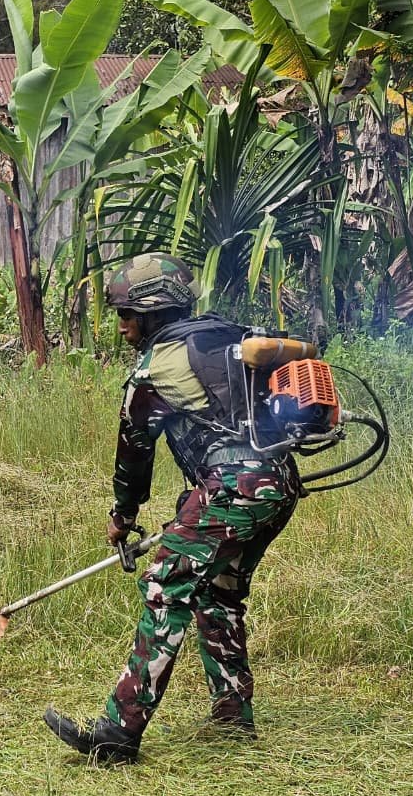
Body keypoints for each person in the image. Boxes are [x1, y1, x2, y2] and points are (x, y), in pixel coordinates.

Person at [43, 252, 301, 764]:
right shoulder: (231, 336)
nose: (120, 328)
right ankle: (231, 719)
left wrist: (123, 518)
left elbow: (133, 455)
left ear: (153, 313)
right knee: (219, 593)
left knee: (167, 587)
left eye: (125, 316)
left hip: (233, 488)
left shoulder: (154, 371)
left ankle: (118, 734)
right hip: (279, 484)